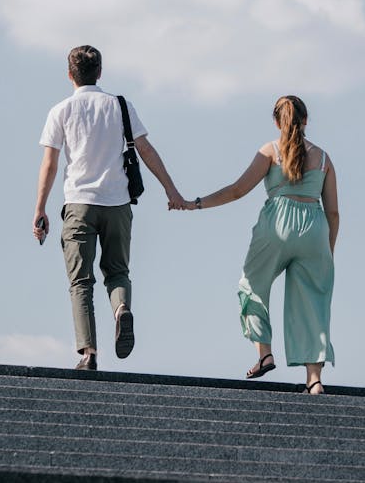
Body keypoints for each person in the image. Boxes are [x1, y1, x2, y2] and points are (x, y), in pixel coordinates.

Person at [33, 45, 183, 370]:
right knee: (117, 272)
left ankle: (88, 353)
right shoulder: (121, 106)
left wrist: (40, 208)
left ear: (69, 75)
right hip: (117, 204)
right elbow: (146, 149)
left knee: (80, 280)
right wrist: (171, 190)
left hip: (79, 205)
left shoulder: (61, 111)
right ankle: (121, 310)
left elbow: (50, 163)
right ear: (100, 72)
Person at [176, 95, 338, 394]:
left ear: (277, 122)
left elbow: (237, 190)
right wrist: (328, 250)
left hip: (276, 224)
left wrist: (195, 204)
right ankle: (314, 380)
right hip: (315, 228)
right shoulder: (325, 159)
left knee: (252, 284)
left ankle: (264, 353)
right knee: (313, 302)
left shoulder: (270, 151)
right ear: (306, 120)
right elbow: (333, 212)